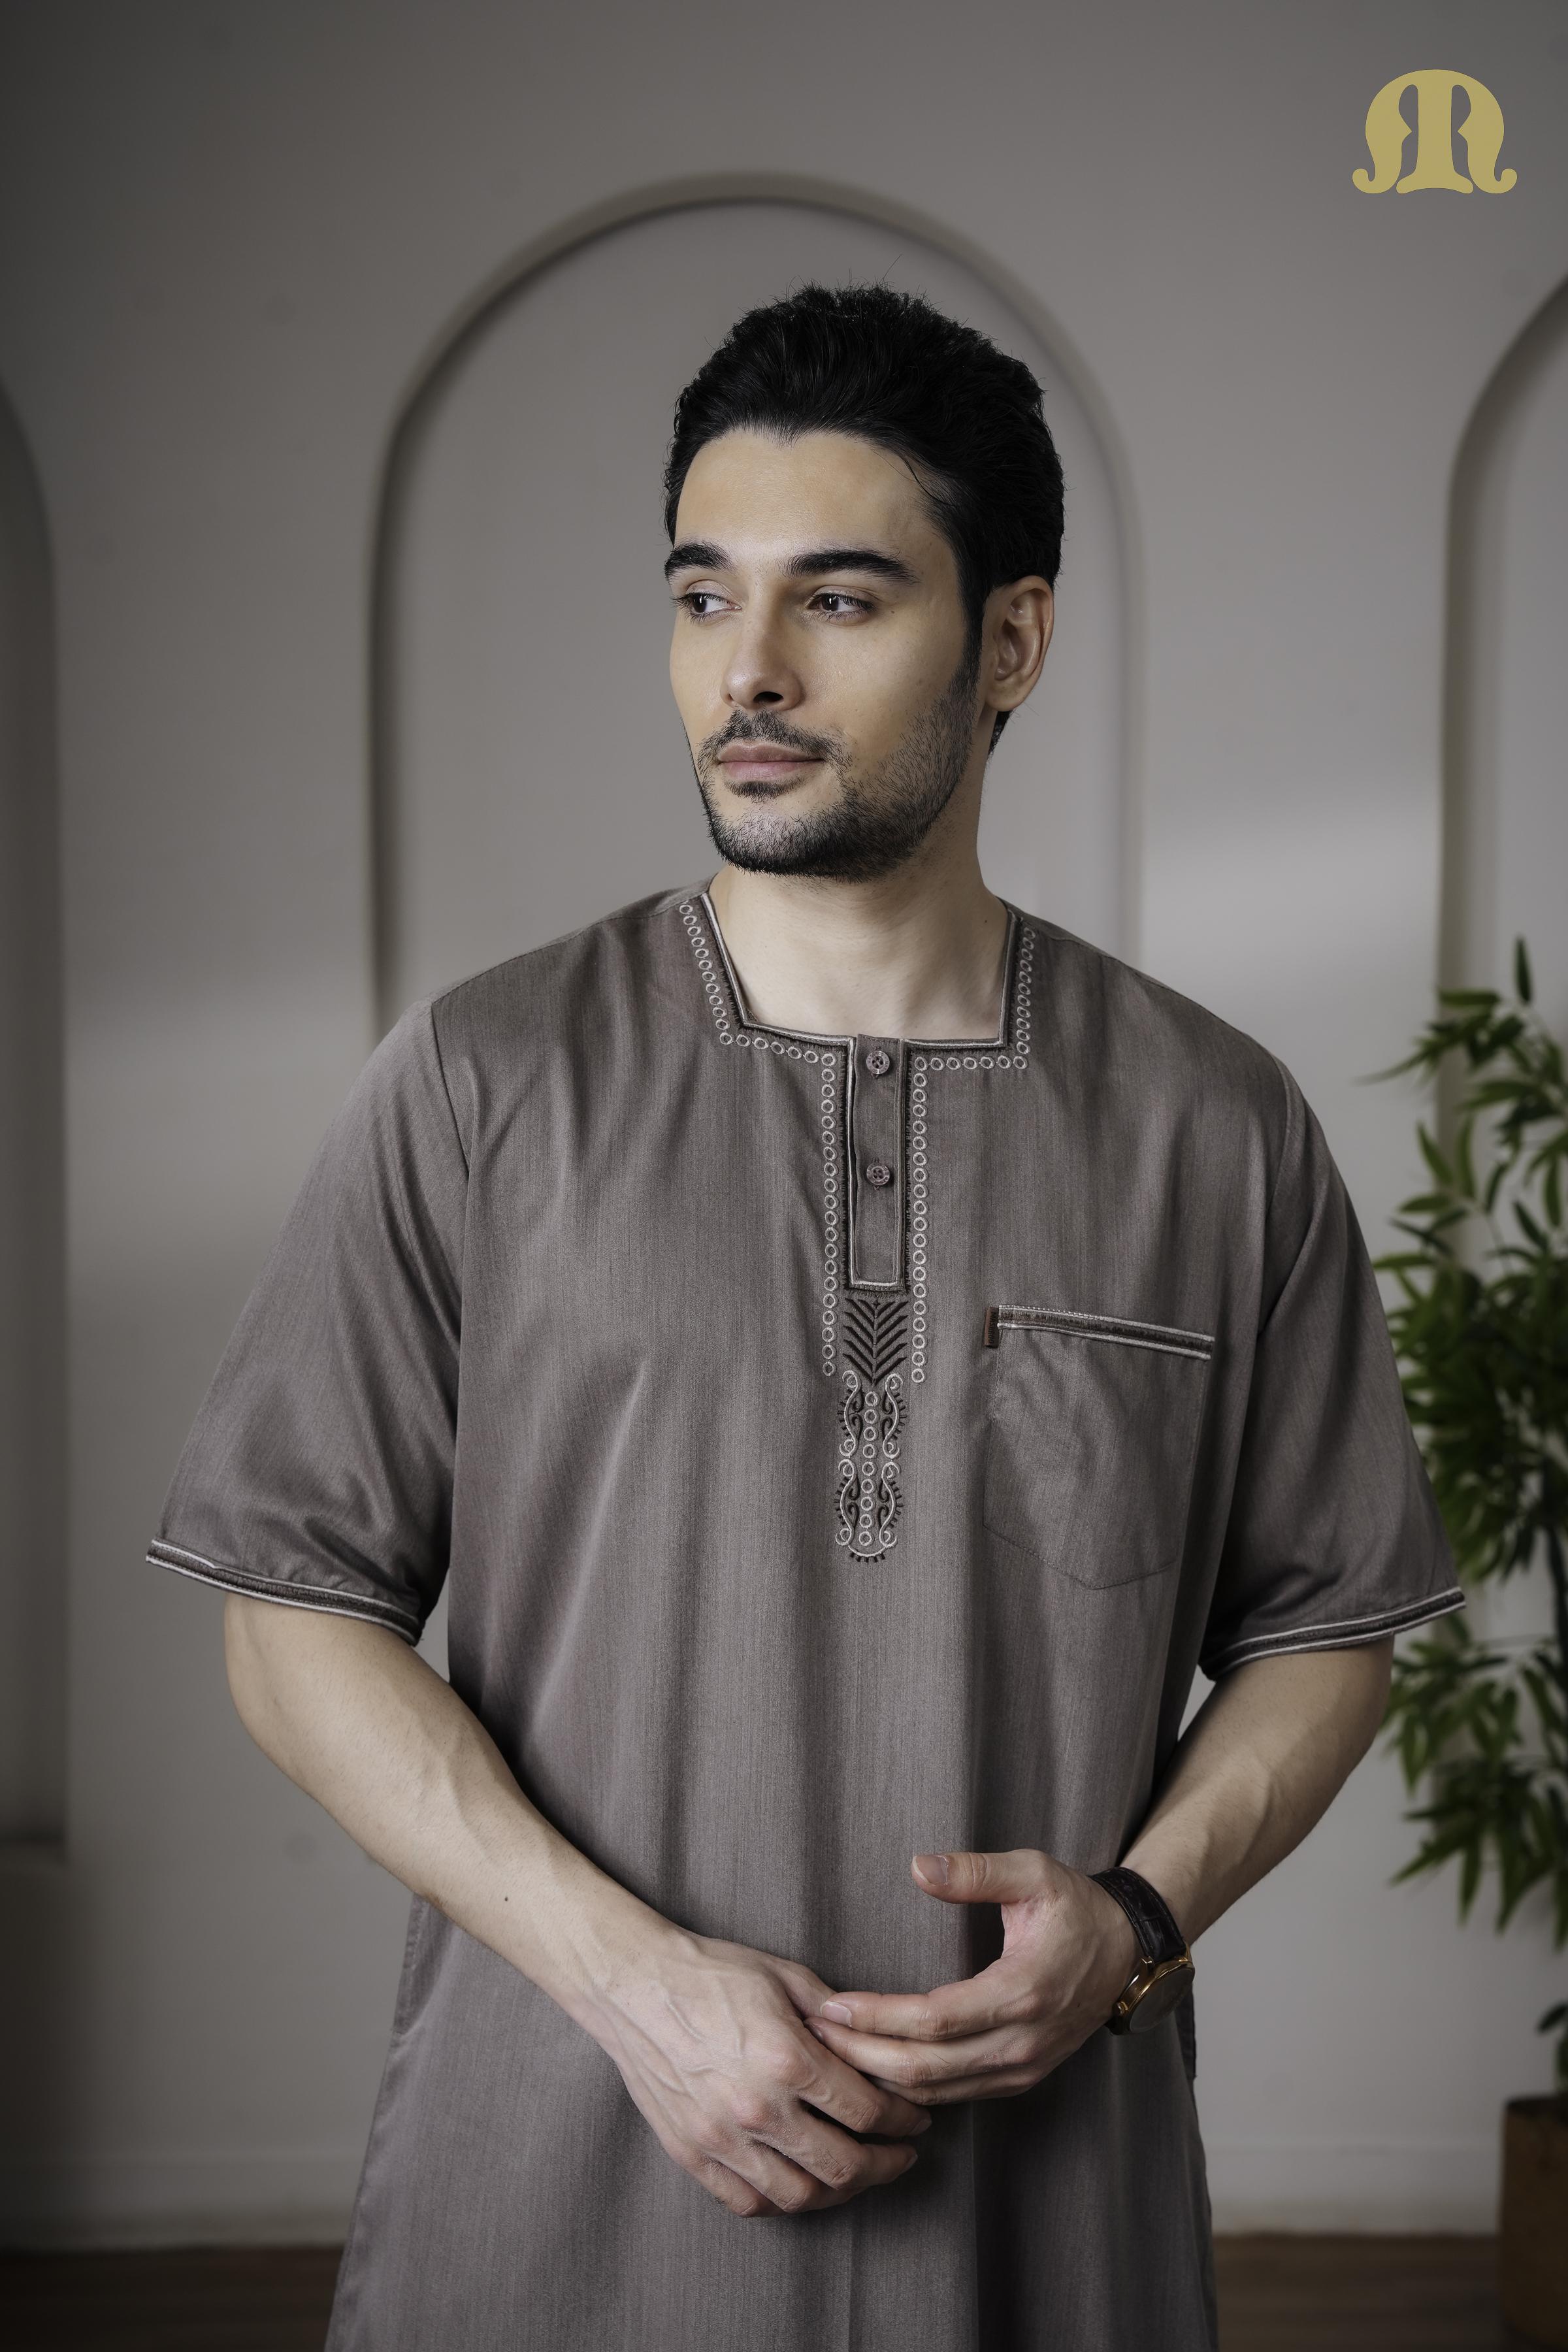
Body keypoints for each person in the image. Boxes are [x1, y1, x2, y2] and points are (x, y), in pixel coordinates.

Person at [148, 284, 1462, 2351]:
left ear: (1010, 641)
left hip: (1049, 2223)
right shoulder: (486, 1083)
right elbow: (286, 1613)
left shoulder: (1214, 1126)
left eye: (837, 601)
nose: (745, 671)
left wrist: (1135, 1920)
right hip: (553, 2186)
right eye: (703, 597)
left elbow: (1327, 1624)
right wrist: (635, 1989)